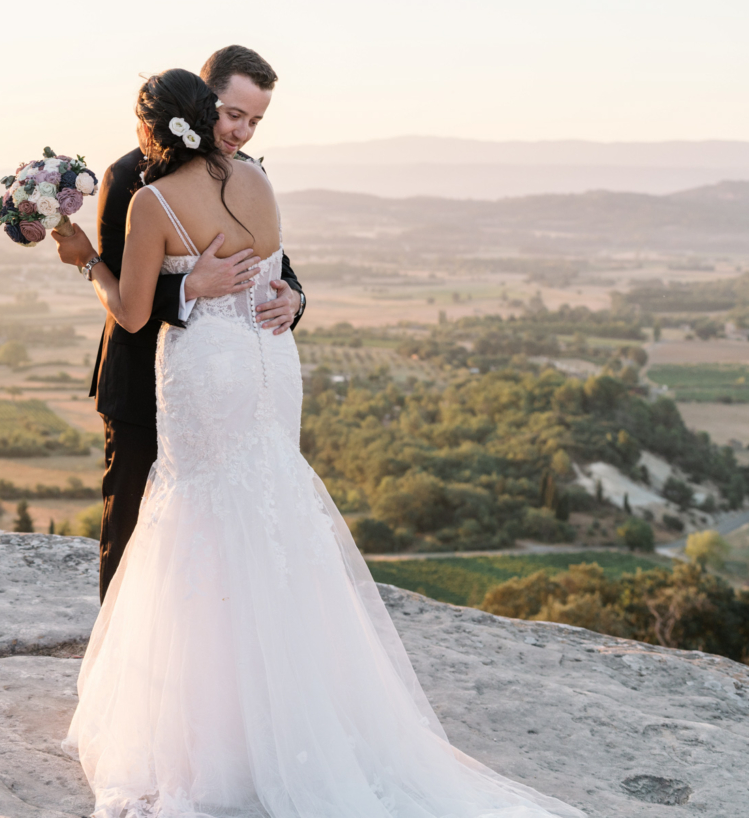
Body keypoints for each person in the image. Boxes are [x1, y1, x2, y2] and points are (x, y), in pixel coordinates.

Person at [61, 68, 584, 818]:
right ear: (207, 115)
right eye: (232, 114)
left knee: (200, 514)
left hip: (210, 364)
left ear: (151, 129)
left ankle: (208, 722)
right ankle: (302, 704)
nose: (241, 128)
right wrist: (264, 292)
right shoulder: (257, 182)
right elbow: (271, 268)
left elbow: (135, 314)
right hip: (270, 362)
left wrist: (83, 259)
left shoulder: (149, 199)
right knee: (271, 504)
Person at [53, 45, 305, 600]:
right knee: (132, 531)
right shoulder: (126, 180)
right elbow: (133, 292)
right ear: (202, 98)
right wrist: (190, 288)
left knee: (224, 527)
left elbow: (274, 266)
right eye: (233, 115)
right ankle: (123, 669)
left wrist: (295, 300)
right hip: (147, 385)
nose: (240, 133)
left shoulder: (250, 175)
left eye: (254, 121)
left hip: (229, 386)